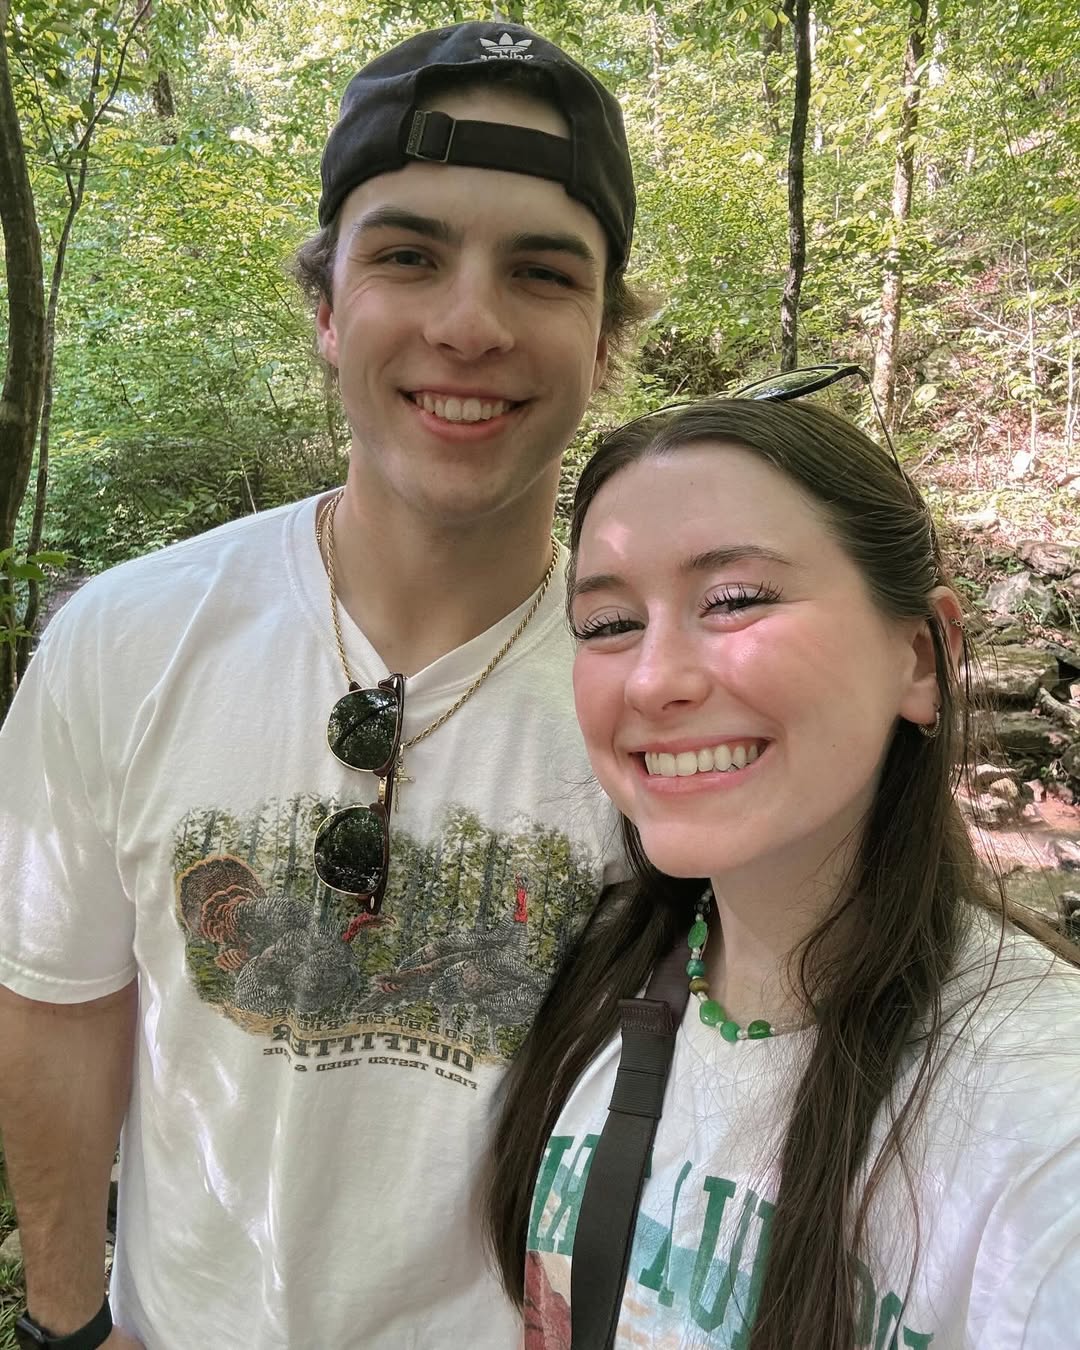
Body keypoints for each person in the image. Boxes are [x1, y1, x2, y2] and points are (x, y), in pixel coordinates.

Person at [0, 22, 643, 1350]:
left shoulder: (663, 702)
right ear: (327, 307)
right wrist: (69, 1320)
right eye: (408, 256)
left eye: (542, 272)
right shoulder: (127, 641)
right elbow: (56, 1001)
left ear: (604, 340)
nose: (469, 325)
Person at [484, 396, 1080, 1349]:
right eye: (608, 623)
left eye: (734, 600)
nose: (653, 680)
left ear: (920, 658)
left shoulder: (1041, 1113)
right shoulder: (591, 982)